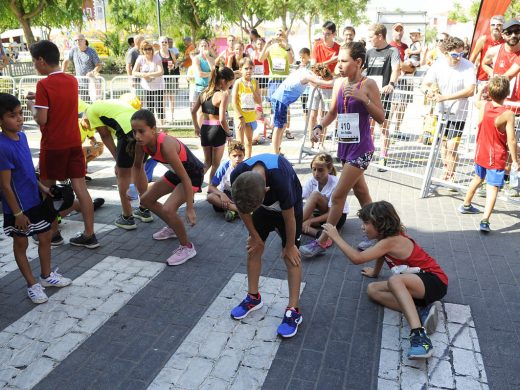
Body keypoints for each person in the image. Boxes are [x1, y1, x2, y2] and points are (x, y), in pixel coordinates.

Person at [322, 201, 448, 359]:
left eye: (366, 223)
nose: (362, 227)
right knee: (372, 289)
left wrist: (336, 237)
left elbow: (357, 258)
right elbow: (382, 254)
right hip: (420, 282)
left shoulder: (390, 241)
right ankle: (420, 310)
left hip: (435, 281)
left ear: (380, 223)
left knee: (395, 281)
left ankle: (420, 338)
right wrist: (375, 272)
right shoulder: (386, 240)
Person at [300, 42, 384, 257]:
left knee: (337, 196)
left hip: (362, 148)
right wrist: (319, 126)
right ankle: (382, 233)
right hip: (345, 147)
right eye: (338, 60)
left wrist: (363, 99)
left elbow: (381, 118)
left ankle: (323, 241)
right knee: (362, 192)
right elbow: (332, 113)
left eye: (344, 61)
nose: (338, 65)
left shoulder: (369, 84)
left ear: (358, 62)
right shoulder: (338, 83)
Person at [0, 93, 72, 304]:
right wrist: (17, 213)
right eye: (12, 115)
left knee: (46, 236)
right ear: (1, 120)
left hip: (35, 200)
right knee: (21, 244)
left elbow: (28, 170)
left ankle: (47, 276)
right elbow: (4, 185)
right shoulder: (2, 146)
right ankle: (32, 284)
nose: (20, 118)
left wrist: (42, 187)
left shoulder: (21, 137)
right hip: (18, 207)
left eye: (20, 113)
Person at [26, 40, 97, 249]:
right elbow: (61, 104)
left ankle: (52, 234)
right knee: (80, 188)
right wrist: (38, 99)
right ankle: (89, 234)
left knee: (46, 188)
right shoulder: (72, 80)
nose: (34, 66)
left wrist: (32, 105)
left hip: (53, 144)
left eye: (34, 61)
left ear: (41, 60)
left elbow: (42, 120)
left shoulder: (44, 84)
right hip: (74, 142)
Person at [229, 153, 303, 338]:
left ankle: (293, 310)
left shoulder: (280, 179)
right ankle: (253, 297)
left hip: (289, 211)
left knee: (291, 257)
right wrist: (255, 237)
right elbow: (242, 208)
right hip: (264, 210)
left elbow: (289, 217)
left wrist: (290, 245)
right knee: (254, 249)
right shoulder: (238, 175)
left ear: (267, 190)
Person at [132, 109, 203, 265]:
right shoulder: (140, 144)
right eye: (134, 131)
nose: (137, 136)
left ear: (153, 129)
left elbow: (185, 177)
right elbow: (137, 167)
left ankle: (187, 247)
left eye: (141, 131)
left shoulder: (165, 145)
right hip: (175, 172)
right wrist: (131, 188)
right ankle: (173, 227)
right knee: (146, 200)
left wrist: (190, 207)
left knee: (168, 209)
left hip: (191, 175)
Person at [80, 99, 155, 230]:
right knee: (139, 168)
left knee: (123, 174)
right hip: (142, 127)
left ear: (84, 116)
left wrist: (117, 159)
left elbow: (105, 135)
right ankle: (144, 209)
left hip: (128, 129)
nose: (90, 127)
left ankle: (127, 217)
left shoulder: (90, 111)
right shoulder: (109, 103)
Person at [458, 76, 518, 232]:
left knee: (478, 178)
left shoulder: (484, 105)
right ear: (507, 93)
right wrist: (516, 160)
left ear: (490, 92)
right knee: (493, 188)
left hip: (481, 152)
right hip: (496, 156)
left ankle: (466, 204)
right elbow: (511, 140)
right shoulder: (508, 114)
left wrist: (481, 90)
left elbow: (476, 101)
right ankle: (485, 221)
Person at [421, 37, 476, 182]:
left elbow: (470, 90)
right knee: (443, 145)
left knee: (452, 146)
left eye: (461, 54)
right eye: (454, 55)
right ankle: (446, 170)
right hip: (441, 112)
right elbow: (424, 85)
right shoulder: (438, 65)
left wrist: (446, 97)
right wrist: (430, 92)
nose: (459, 58)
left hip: (458, 113)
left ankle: (450, 175)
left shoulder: (468, 66)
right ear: (445, 53)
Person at [269, 64, 334, 154]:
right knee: (279, 127)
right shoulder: (308, 75)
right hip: (281, 99)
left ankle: (277, 151)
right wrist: (336, 82)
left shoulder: (304, 71)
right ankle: (275, 154)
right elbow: (320, 82)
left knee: (283, 126)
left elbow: (315, 83)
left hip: (282, 100)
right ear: (318, 75)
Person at [364, 23, 401, 172]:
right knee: (368, 127)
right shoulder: (369, 52)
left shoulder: (392, 51)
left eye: (371, 36)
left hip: (384, 95)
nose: (369, 39)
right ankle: (368, 154)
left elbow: (396, 68)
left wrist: (391, 84)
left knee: (383, 126)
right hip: (369, 94)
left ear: (380, 36)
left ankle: (383, 156)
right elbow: (362, 69)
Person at [192, 66, 235, 182]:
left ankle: (192, 182)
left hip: (205, 129)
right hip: (217, 130)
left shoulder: (204, 93)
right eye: (230, 83)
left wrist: (196, 127)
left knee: (207, 162)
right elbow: (222, 119)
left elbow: (193, 111)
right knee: (215, 165)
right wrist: (229, 133)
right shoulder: (223, 94)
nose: (230, 86)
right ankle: (211, 189)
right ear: (223, 81)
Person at [301, 153, 349, 240]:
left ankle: (292, 224)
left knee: (315, 195)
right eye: (314, 169)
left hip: (336, 218)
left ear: (329, 169)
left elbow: (331, 213)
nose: (316, 173)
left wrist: (311, 220)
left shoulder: (336, 183)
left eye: (320, 170)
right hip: (321, 215)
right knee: (300, 221)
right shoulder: (311, 181)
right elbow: (299, 198)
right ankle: (318, 234)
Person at [308, 21, 340, 143]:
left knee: (325, 116)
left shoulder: (339, 48)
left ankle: (320, 143)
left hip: (329, 86)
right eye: (323, 33)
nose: (324, 36)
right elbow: (313, 66)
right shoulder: (317, 46)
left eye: (327, 34)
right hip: (315, 84)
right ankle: (312, 141)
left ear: (333, 34)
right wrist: (329, 61)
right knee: (313, 115)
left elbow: (338, 70)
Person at [258, 29, 294, 135]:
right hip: (273, 81)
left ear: (284, 36)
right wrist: (267, 44)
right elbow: (260, 59)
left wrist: (286, 47)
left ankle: (286, 129)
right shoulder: (270, 48)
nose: (278, 36)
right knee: (273, 106)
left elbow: (291, 61)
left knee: (286, 106)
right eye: (277, 34)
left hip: (284, 81)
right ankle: (274, 128)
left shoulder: (288, 47)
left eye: (281, 35)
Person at [207, 140, 245, 222]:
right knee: (210, 197)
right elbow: (210, 187)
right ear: (229, 156)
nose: (237, 159)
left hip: (240, 197)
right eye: (234, 156)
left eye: (240, 155)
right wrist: (221, 194)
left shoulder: (247, 166)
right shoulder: (224, 166)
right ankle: (239, 211)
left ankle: (231, 210)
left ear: (244, 155)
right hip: (226, 196)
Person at [483, 19, 520, 102]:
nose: (513, 35)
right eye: (509, 33)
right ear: (502, 35)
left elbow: (508, 76)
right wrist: (492, 74)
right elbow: (484, 63)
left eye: (517, 32)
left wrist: (496, 82)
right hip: (499, 102)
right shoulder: (494, 51)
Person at [232, 58, 262, 158]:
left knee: (248, 142)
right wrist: (240, 117)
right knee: (239, 144)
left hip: (250, 117)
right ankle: (239, 163)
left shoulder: (255, 82)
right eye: (246, 68)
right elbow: (234, 102)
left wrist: (252, 89)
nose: (248, 71)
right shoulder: (238, 83)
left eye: (250, 68)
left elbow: (259, 101)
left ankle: (248, 162)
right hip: (240, 117)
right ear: (241, 70)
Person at [132, 40, 165, 126]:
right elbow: (134, 72)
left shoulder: (157, 57)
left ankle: (162, 125)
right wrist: (143, 75)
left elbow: (161, 71)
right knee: (150, 107)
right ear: (142, 50)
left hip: (158, 86)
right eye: (145, 49)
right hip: (147, 87)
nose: (148, 51)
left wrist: (149, 74)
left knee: (159, 106)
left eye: (149, 48)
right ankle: (152, 126)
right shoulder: (140, 58)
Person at [470, 15, 505, 84]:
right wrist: (469, 76)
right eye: (493, 25)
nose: (495, 27)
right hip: (483, 79)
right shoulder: (483, 39)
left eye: (499, 25)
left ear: (503, 27)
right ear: (490, 27)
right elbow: (472, 58)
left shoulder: (506, 42)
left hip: (499, 80)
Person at [191, 40, 216, 114]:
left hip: (210, 88)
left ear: (208, 47)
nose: (204, 47)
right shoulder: (196, 58)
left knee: (209, 111)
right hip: (200, 89)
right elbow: (200, 74)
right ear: (199, 48)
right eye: (202, 46)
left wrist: (207, 57)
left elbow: (213, 70)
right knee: (199, 111)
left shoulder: (211, 59)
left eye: (205, 46)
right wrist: (211, 73)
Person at [158, 36, 178, 122]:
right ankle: (164, 117)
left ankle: (172, 116)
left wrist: (173, 66)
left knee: (172, 98)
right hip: (161, 79)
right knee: (163, 99)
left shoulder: (171, 53)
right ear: (159, 43)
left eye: (165, 42)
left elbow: (176, 63)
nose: (164, 43)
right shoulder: (156, 53)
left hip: (171, 77)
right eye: (162, 42)